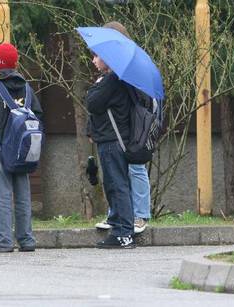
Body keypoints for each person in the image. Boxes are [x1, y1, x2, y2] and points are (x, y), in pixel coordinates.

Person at [0, 43, 43, 253]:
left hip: (0, 151)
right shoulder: (27, 88)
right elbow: (38, 116)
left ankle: (3, 240)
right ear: (15, 64)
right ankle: (26, 239)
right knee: (23, 195)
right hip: (24, 152)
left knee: (3, 195)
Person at [94, 21, 151, 234]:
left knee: (135, 168)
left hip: (133, 125)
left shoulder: (132, 66)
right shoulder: (113, 70)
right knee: (115, 173)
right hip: (118, 126)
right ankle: (116, 214)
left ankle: (140, 215)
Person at [86, 34, 135, 249]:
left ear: (107, 58)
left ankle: (124, 232)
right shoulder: (112, 79)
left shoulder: (113, 79)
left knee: (118, 185)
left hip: (113, 140)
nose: (93, 60)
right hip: (111, 138)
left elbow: (93, 103)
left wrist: (97, 86)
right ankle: (118, 224)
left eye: (97, 56)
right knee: (113, 184)